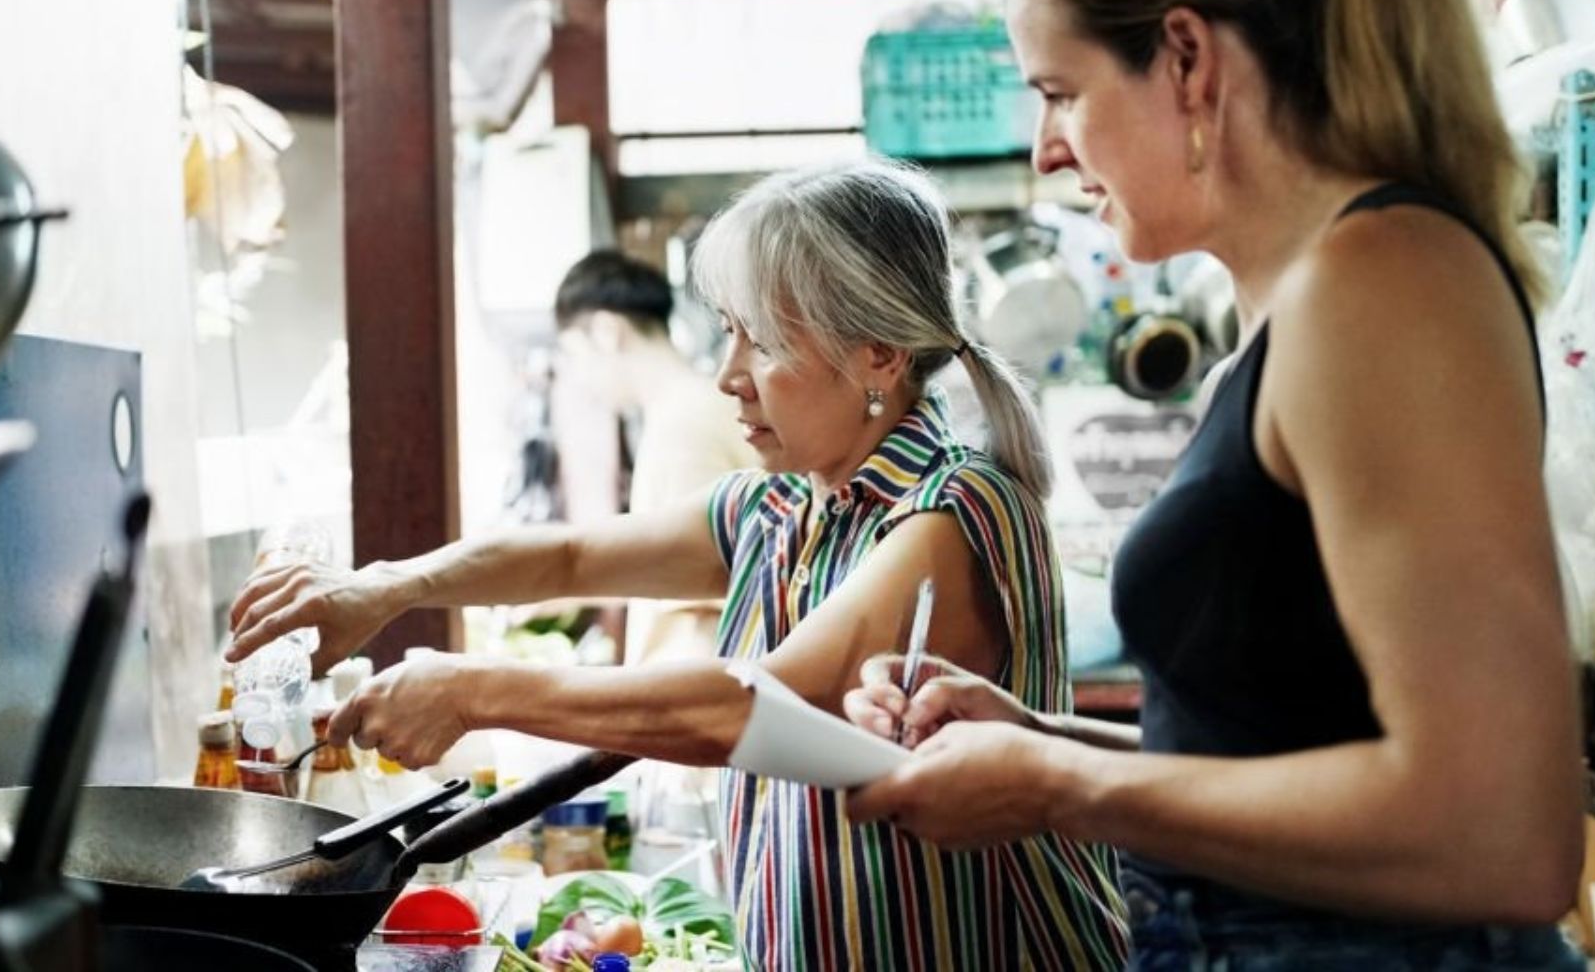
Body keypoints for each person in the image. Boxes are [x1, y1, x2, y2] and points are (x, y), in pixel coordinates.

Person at [842, 0, 1585, 968]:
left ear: (1186, 57)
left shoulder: (1381, 287)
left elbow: (1499, 835)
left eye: (1062, 92)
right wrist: (1035, 737)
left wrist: (1060, 785)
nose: (1047, 150)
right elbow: (1288, 747)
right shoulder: (1297, 306)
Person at [229, 159, 1130, 970]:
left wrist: (473, 690)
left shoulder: (951, 512)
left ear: (879, 356)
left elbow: (751, 704)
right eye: (729, 335)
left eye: (763, 343)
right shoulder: (778, 507)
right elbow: (571, 556)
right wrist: (386, 586)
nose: (729, 375)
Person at [552, 249, 759, 663]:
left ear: (608, 331)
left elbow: (699, 603)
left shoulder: (683, 425)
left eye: (575, 355)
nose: (581, 378)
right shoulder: (700, 406)